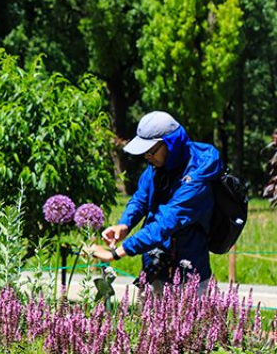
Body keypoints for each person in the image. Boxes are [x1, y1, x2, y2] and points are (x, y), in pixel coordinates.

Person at [89, 111, 222, 289]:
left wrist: (115, 253)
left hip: (188, 277)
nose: (147, 157)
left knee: (190, 309)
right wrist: (124, 224)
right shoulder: (157, 166)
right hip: (154, 268)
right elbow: (140, 198)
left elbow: (165, 223)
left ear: (171, 144)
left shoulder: (197, 180)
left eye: (150, 151)